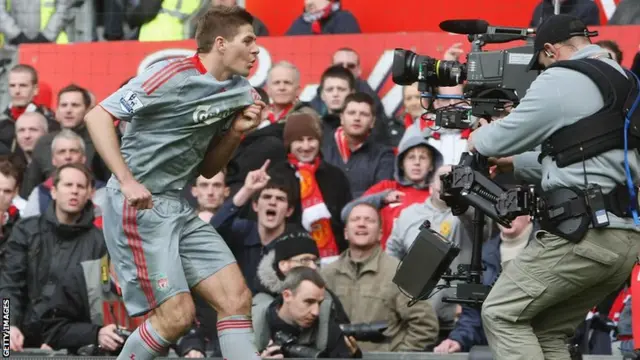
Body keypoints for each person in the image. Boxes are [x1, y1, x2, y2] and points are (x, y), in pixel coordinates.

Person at [83, 5, 267, 360]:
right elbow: (98, 116)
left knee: (236, 298)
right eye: (249, 40)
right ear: (221, 44)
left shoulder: (240, 93)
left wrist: (236, 134)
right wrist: (127, 180)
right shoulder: (168, 75)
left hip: (177, 207)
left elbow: (209, 171)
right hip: (138, 205)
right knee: (177, 317)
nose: (257, 49)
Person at [466, 15, 640, 360]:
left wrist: (476, 135)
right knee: (547, 332)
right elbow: (590, 153)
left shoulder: (562, 77)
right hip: (624, 239)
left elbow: (501, 137)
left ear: (549, 50)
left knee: (501, 312)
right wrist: (515, 164)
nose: (540, 74)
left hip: (583, 236)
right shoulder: (625, 80)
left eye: (541, 65)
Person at [255, 267, 362, 359]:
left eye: (319, 303)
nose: (316, 312)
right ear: (287, 296)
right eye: (309, 302)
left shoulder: (327, 329)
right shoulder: (254, 326)